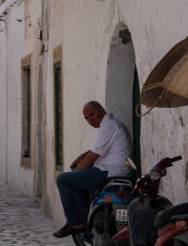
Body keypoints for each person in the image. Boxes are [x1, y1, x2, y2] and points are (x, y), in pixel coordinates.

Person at [53, 101, 133, 238]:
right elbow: (96, 150)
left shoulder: (108, 127)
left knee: (63, 179)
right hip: (111, 169)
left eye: (92, 115)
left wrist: (77, 171)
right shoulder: (108, 126)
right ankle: (85, 221)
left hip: (110, 171)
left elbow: (92, 158)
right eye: (87, 118)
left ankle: (75, 222)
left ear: (102, 110)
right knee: (77, 180)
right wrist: (81, 157)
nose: (90, 120)